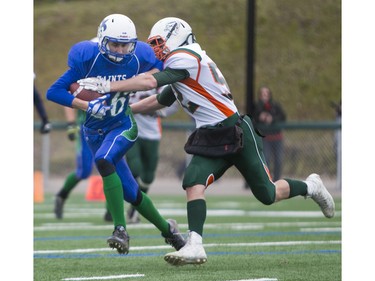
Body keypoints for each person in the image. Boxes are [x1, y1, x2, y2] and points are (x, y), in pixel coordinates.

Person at [77, 17, 335, 265]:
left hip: (235, 131)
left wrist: (107, 86)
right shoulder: (182, 64)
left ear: (175, 37)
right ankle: (195, 245)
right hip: (211, 135)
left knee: (267, 194)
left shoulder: (184, 57)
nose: (155, 49)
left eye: (158, 42)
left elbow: (149, 81)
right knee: (193, 181)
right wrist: (127, 110)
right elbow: (159, 99)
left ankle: (311, 186)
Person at [46, 14, 186, 255]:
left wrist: (141, 80)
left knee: (103, 159)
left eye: (125, 44)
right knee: (132, 193)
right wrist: (87, 105)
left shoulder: (140, 54)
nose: (121, 50)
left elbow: (162, 67)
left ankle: (120, 229)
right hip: (93, 131)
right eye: (115, 44)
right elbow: (54, 91)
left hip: (123, 125)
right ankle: (169, 231)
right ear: (102, 40)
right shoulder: (87, 58)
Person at [123, 87, 179, 223]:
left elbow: (175, 101)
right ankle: (113, 205)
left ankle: (135, 207)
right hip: (131, 128)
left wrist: (161, 111)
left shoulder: (159, 77)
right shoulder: (130, 73)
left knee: (148, 177)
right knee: (134, 168)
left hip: (152, 133)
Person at [253, 86, 286, 181]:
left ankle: (277, 180)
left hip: (277, 138)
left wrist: (272, 119)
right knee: (266, 159)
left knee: (278, 160)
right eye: (262, 94)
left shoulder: (275, 105)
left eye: (266, 94)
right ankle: (267, 179)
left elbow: (283, 116)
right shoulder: (257, 106)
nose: (264, 96)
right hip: (265, 138)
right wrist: (260, 116)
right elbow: (253, 116)